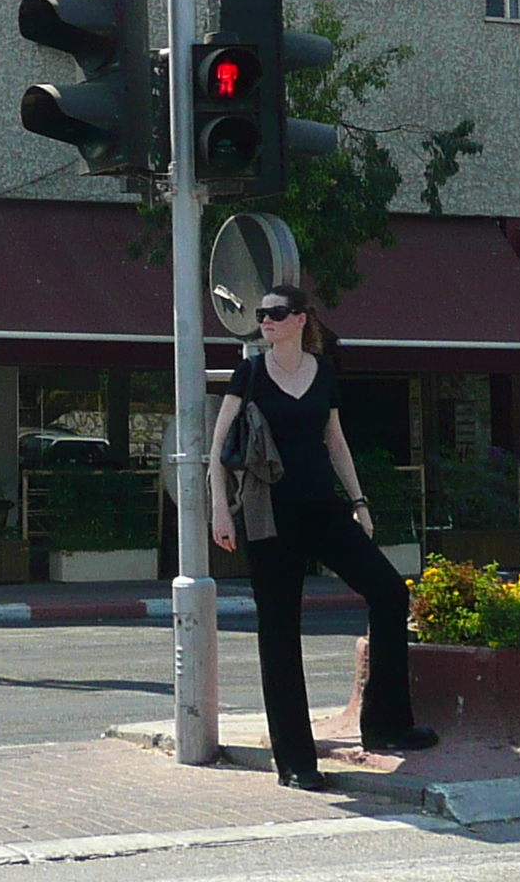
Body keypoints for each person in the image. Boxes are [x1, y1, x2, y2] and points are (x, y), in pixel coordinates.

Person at [206, 286, 434, 790]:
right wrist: (221, 512)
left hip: (324, 508)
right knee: (281, 633)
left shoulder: (322, 373)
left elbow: (335, 441)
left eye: (276, 313)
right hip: (270, 516)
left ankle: (386, 723)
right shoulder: (249, 374)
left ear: (301, 319)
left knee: (390, 592)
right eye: (261, 315)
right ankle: (295, 761)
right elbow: (219, 449)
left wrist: (359, 502)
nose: (265, 320)